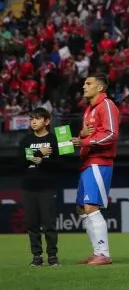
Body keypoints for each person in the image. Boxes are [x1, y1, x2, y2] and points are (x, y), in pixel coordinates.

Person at [71, 74, 120, 265]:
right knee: (82, 208)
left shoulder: (106, 105)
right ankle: (96, 251)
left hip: (100, 161)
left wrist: (84, 140)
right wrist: (80, 136)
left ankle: (103, 253)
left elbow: (111, 134)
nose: (84, 86)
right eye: (84, 83)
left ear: (100, 88)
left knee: (91, 206)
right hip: (87, 161)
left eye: (88, 83)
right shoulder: (89, 110)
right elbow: (89, 135)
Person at [20, 107, 61, 267]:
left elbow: (61, 164)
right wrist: (38, 154)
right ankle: (36, 256)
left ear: (47, 121)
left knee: (49, 224)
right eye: (32, 119)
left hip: (47, 187)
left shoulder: (54, 139)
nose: (34, 121)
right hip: (28, 187)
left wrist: (42, 159)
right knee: (32, 224)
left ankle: (52, 256)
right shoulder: (26, 141)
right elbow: (20, 163)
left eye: (38, 118)